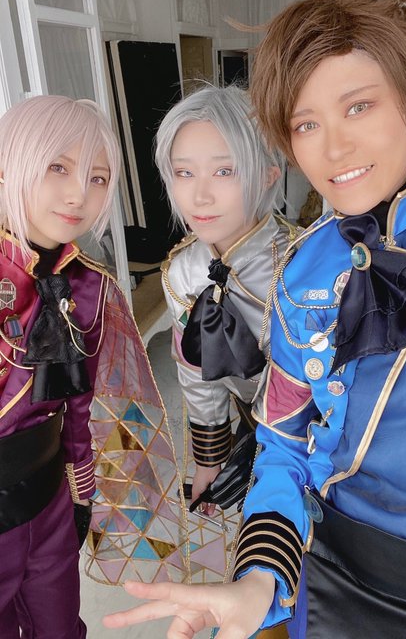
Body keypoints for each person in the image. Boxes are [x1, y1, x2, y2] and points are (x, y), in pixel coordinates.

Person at [103, 0, 406, 639]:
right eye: (306, 124)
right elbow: (285, 443)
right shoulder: (304, 272)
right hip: (330, 579)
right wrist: (258, 578)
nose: (333, 148)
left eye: (359, 107)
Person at [0, 94, 120, 637]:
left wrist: (81, 491)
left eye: (97, 178)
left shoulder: (86, 284)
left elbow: (78, 404)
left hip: (48, 501)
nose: (79, 195)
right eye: (58, 167)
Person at [156, 84, 295, 524]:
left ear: (268, 174)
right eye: (184, 172)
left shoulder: (303, 265)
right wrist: (209, 459)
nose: (200, 196)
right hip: (247, 423)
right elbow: (197, 372)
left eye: (224, 171)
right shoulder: (182, 272)